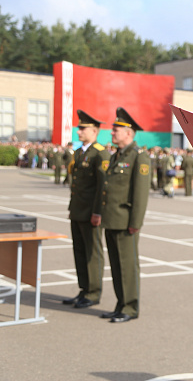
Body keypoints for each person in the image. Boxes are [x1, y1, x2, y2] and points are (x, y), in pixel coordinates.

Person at [100, 107, 150, 323]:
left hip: (126, 221)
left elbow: (140, 193)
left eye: (116, 130)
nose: (112, 133)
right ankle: (120, 304)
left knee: (127, 266)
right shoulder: (116, 156)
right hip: (112, 219)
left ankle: (130, 307)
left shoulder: (139, 157)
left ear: (128, 133)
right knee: (116, 265)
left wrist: (135, 223)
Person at [62, 110, 111, 308]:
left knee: (93, 253)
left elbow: (103, 186)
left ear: (94, 131)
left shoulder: (100, 153)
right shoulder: (79, 152)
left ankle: (93, 292)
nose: (79, 131)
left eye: (83, 128)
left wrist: (97, 212)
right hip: (78, 210)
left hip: (91, 212)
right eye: (79, 128)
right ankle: (84, 289)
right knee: (79, 251)